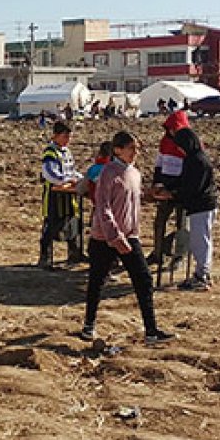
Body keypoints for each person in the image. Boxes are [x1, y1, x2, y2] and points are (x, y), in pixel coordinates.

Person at [81, 132, 176, 345]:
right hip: (105, 237)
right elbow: (103, 207)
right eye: (132, 148)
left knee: (143, 280)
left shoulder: (134, 173)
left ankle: (151, 331)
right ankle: (88, 326)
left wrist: (151, 196)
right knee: (97, 281)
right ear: (117, 150)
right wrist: (115, 237)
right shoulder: (108, 173)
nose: (136, 152)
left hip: (130, 235)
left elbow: (133, 197)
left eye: (138, 148)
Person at [164, 125, 219, 291]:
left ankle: (202, 275)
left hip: (202, 205)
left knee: (200, 241)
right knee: (200, 241)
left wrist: (173, 195)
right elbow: (183, 180)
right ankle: (201, 273)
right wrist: (168, 187)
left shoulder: (198, 161)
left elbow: (192, 187)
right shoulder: (192, 158)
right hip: (200, 205)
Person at [38, 121, 85, 269]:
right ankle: (45, 257)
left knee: (73, 223)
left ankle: (74, 254)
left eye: (69, 137)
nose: (67, 140)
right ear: (55, 136)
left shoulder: (67, 152)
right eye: (65, 136)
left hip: (68, 196)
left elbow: (71, 171)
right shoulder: (50, 152)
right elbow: (50, 173)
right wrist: (65, 180)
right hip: (54, 196)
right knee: (51, 226)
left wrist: (80, 179)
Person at [149, 110, 191, 273]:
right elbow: (159, 164)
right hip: (165, 186)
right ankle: (157, 253)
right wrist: (157, 183)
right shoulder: (165, 141)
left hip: (181, 188)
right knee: (160, 221)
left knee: (182, 224)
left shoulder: (189, 143)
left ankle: (179, 256)